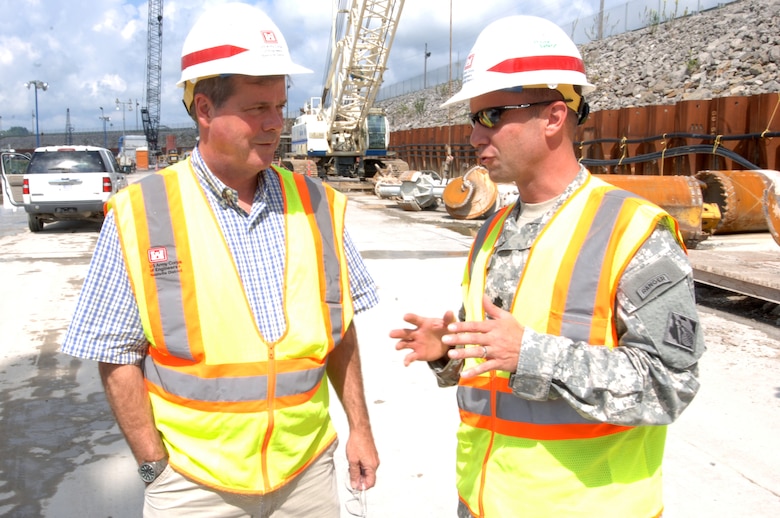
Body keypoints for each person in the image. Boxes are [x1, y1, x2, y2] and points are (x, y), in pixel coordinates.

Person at [61, 3, 379, 516]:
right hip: (193, 485)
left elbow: (338, 332)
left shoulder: (318, 204)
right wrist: (153, 466)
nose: (277, 124)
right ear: (204, 109)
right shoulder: (143, 214)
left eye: (281, 105)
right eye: (258, 109)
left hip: (307, 475)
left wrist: (359, 430)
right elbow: (115, 352)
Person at [390, 14, 704, 518]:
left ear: (554, 117)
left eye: (490, 116)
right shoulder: (493, 232)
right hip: (482, 501)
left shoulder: (634, 231)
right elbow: (496, 364)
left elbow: (669, 385)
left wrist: (533, 354)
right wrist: (448, 352)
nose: (473, 136)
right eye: (472, 119)